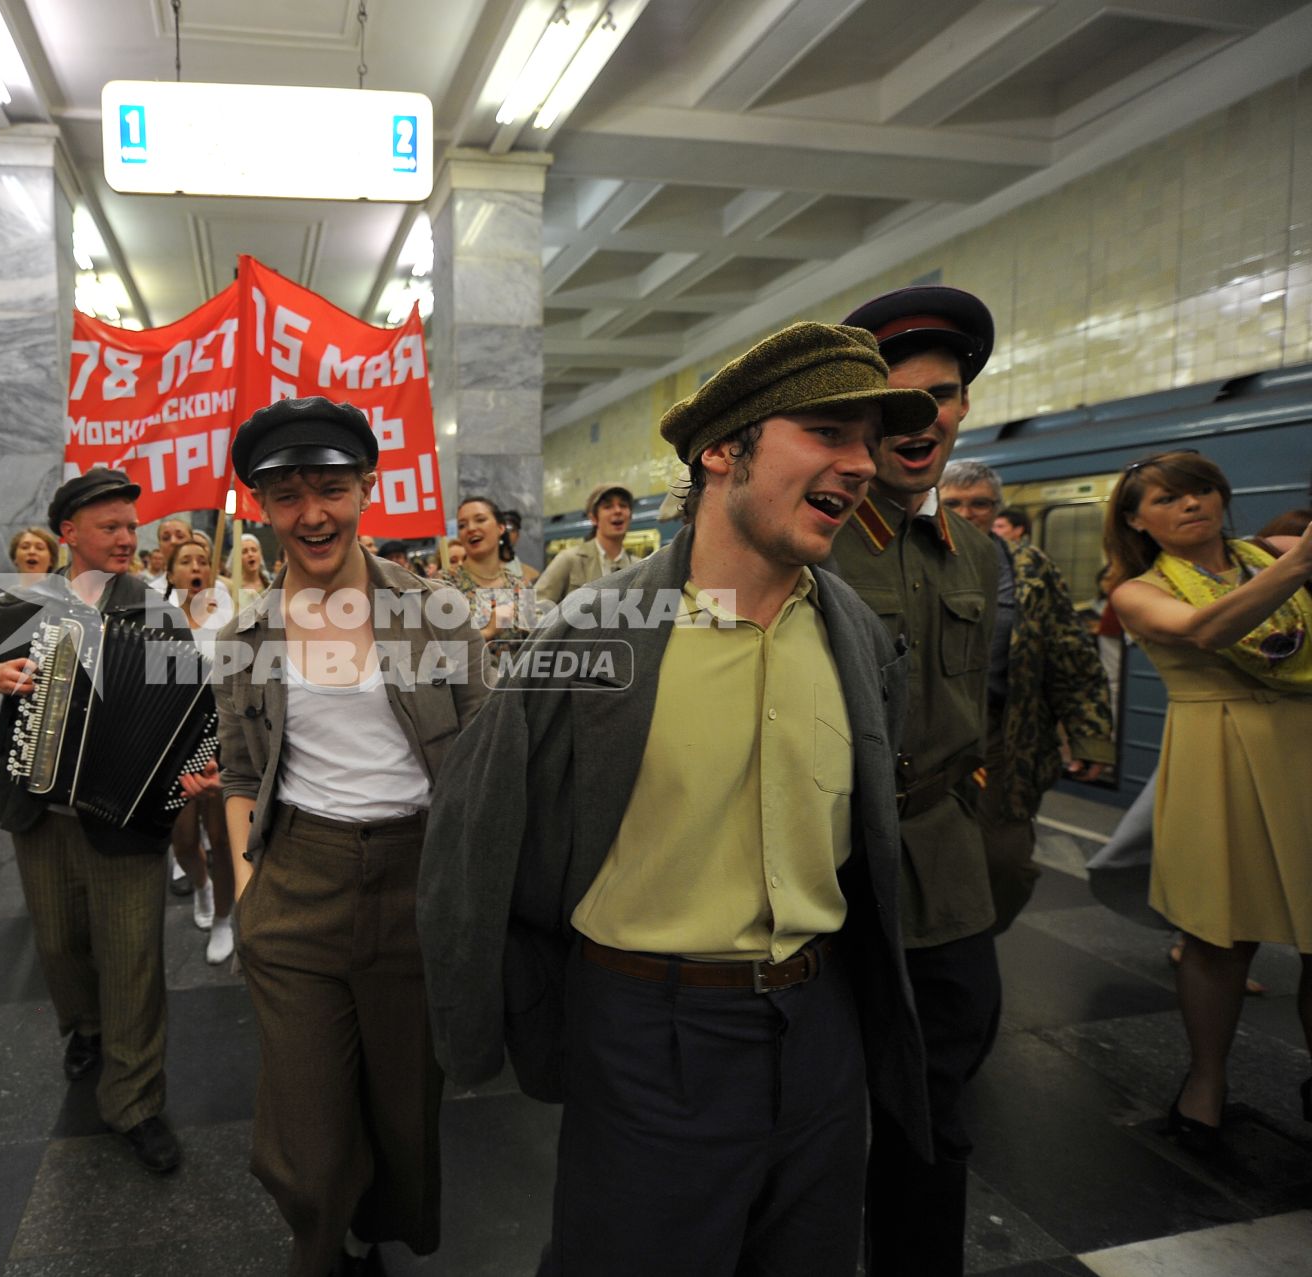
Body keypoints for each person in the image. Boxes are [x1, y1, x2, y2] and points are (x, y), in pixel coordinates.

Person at [420, 323, 933, 1276]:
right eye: (827, 431)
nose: (861, 464)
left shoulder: (856, 632)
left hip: (823, 1029)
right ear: (723, 450)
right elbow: (477, 825)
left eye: (868, 441)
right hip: (652, 1032)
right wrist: (478, 1023)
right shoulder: (599, 632)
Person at [216, 398, 486, 1276]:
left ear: (367, 488)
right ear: (262, 506)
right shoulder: (245, 633)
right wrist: (251, 899)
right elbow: (243, 775)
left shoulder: (435, 613)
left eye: (331, 488)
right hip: (298, 877)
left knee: (404, 1104)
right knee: (308, 1123)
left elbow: (483, 759)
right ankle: (317, 1243)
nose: (312, 513)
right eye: (287, 495)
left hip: (418, 875)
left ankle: (373, 1234)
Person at [0, 469, 187, 1174]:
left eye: (130, 527)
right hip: (39, 810)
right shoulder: (28, 601)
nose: (124, 539)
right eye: (109, 527)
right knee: (58, 941)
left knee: (133, 955)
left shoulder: (157, 609)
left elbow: (186, 705)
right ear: (68, 535)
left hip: (127, 815)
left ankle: (135, 1099)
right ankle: (84, 1025)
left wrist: (188, 763)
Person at [838, 285, 1005, 1277]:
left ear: (964, 407)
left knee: (939, 1116)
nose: (923, 422)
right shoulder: (809, 546)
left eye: (941, 396)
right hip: (834, 867)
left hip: (944, 873)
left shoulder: (975, 550)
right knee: (812, 1113)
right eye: (896, 403)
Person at [1102, 450, 1312, 1148]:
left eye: (1199, 490)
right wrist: (1296, 565)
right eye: (1166, 499)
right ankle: (1205, 1084)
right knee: (1219, 936)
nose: (1189, 504)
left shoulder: (1272, 554)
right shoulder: (1137, 589)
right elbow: (1205, 629)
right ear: (1137, 521)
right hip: (1217, 753)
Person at [939, 459, 1114, 932]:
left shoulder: (1028, 567)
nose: (967, 512)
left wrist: (1089, 735)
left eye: (980, 504)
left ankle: (979, 940)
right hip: (928, 731)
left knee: (1005, 861)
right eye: (953, 502)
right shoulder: (912, 558)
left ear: (997, 509)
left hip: (1004, 734)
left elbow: (1071, 654)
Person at [163, 539, 235, 965]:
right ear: (171, 574)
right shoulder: (159, 620)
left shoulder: (231, 619)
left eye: (203, 560)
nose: (196, 566)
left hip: (222, 738)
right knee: (185, 840)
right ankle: (201, 884)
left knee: (223, 839)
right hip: (175, 743)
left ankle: (224, 917)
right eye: (186, 561)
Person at [445, 495, 536, 678]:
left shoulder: (520, 585)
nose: (470, 528)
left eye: (480, 520)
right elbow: (436, 649)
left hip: (514, 691)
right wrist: (487, 632)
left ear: (501, 528)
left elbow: (532, 647)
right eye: (462, 525)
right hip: (467, 693)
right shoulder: (444, 585)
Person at [535, 483, 635, 606]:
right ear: (593, 518)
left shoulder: (638, 566)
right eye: (608, 506)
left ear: (630, 515)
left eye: (623, 505)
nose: (618, 511)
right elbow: (536, 607)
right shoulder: (570, 560)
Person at [499, 509, 542, 584]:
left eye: (510, 528)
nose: (506, 533)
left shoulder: (531, 575)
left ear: (517, 535)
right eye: (503, 528)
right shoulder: (479, 570)